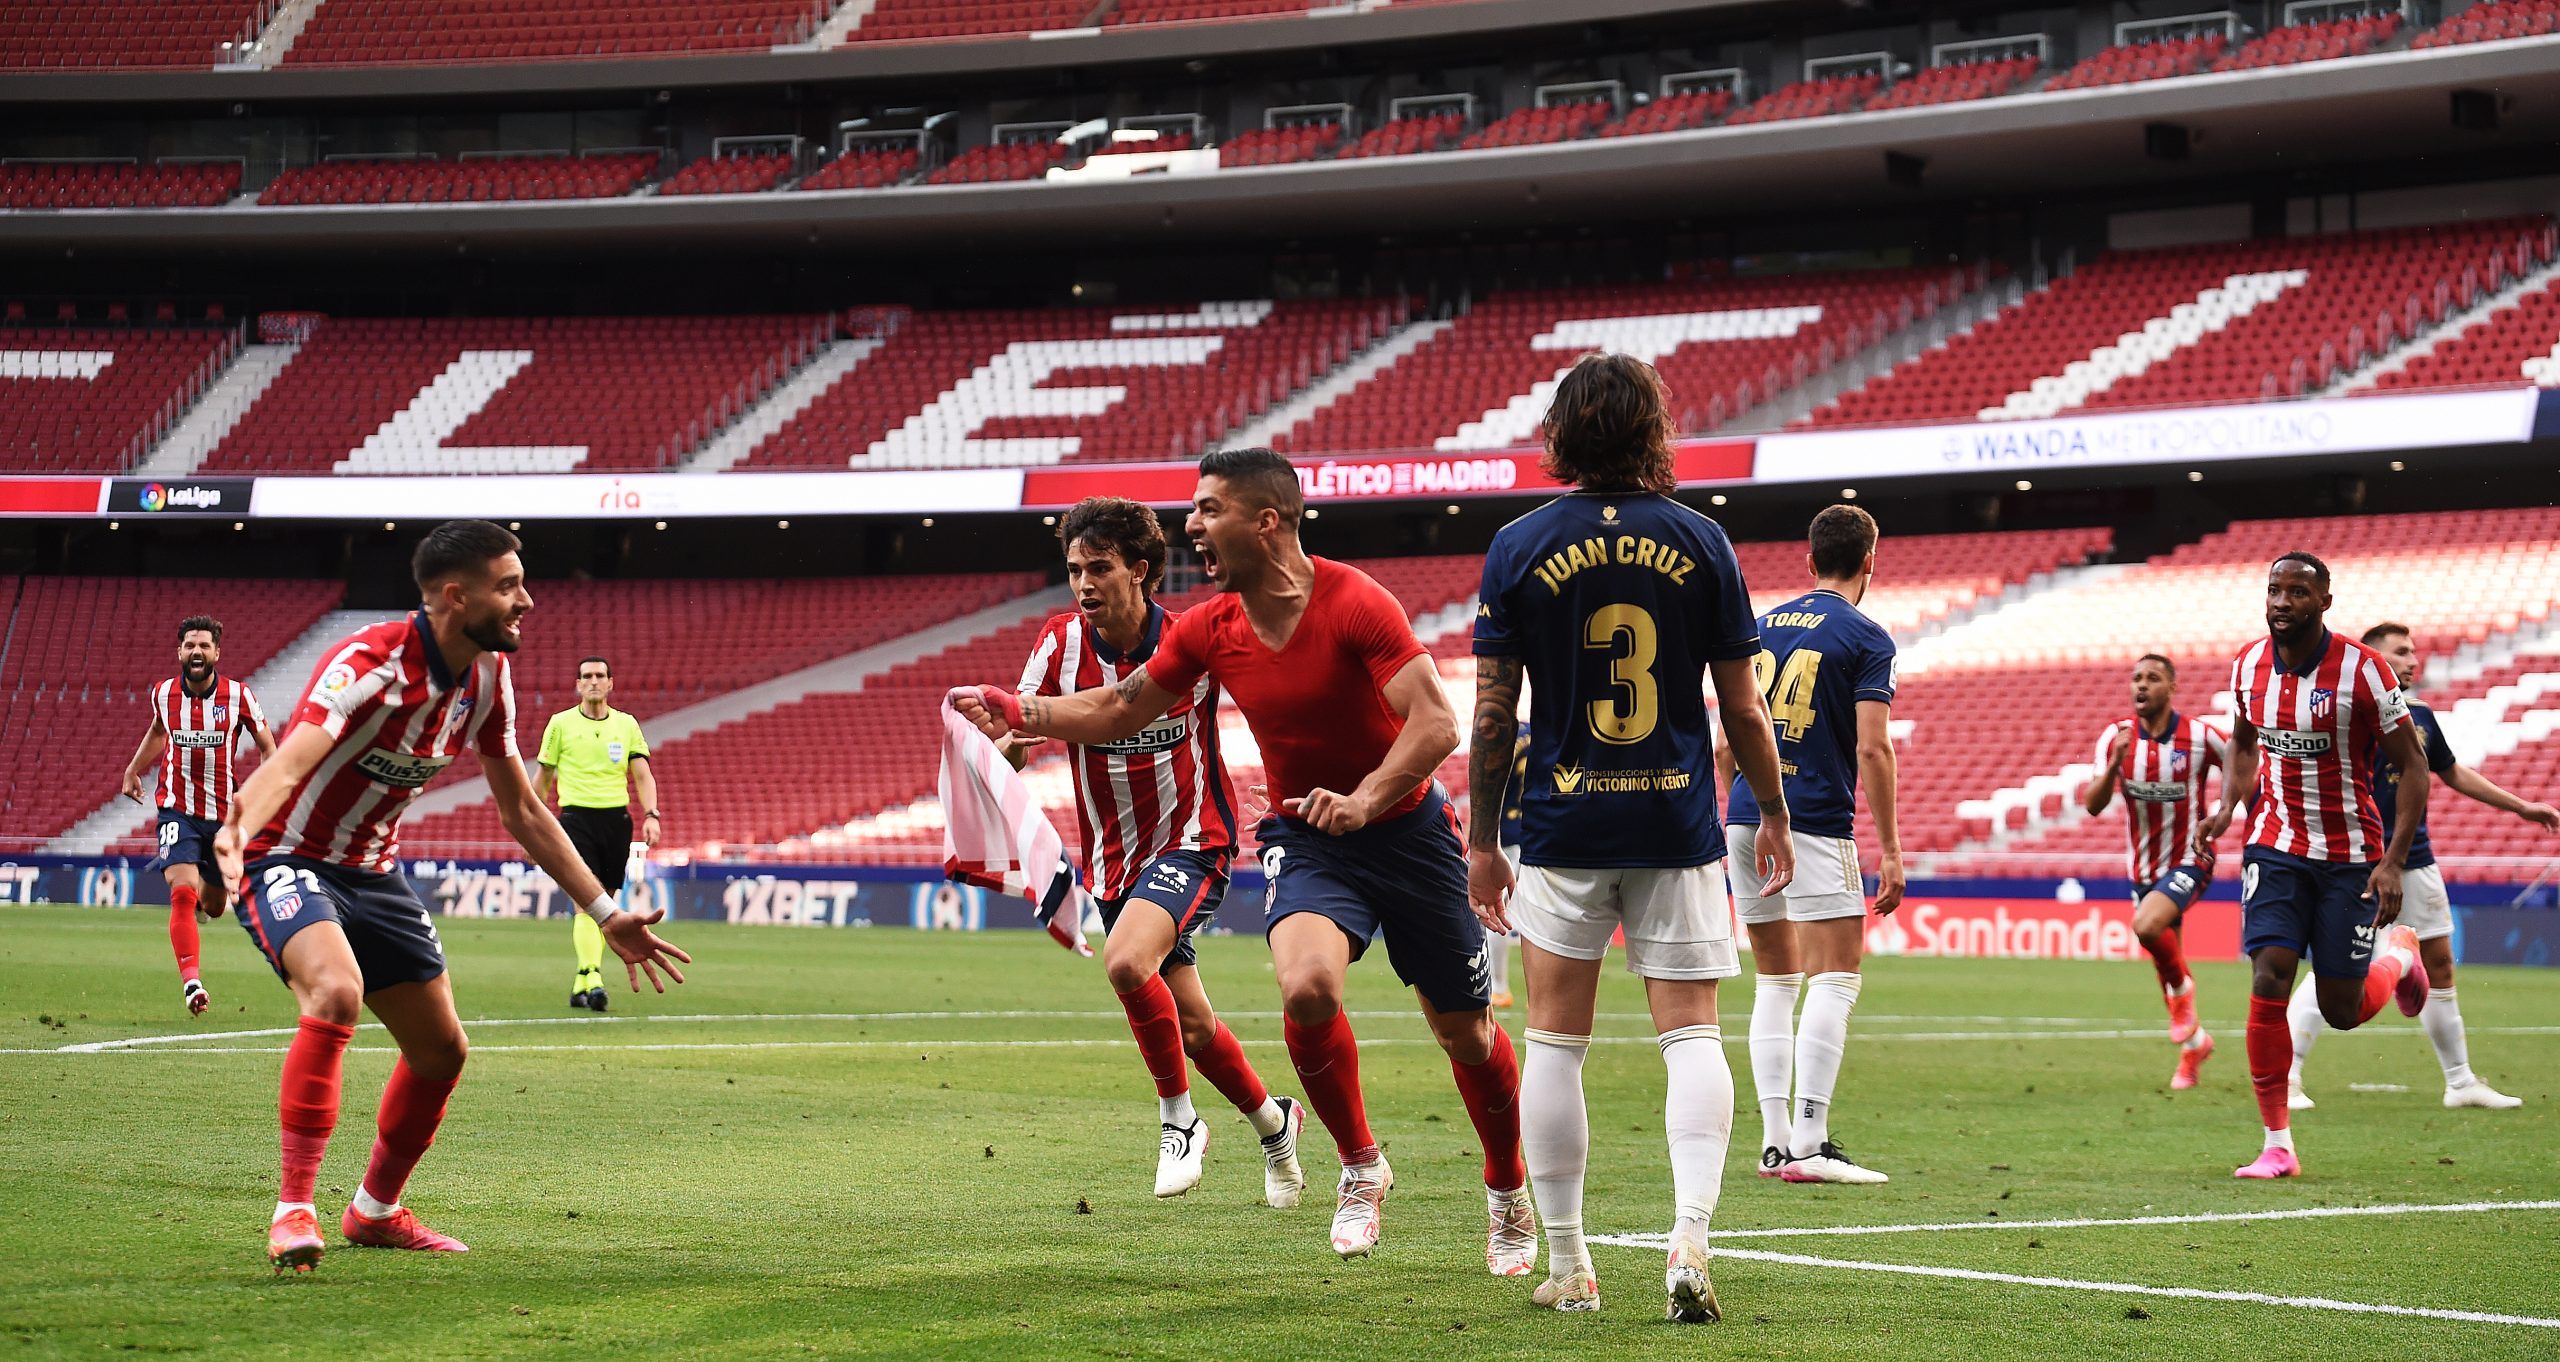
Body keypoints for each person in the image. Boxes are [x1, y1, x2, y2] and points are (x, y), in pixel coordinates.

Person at [957, 447, 1527, 1268]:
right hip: (1306, 836)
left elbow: (1436, 723)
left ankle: (1507, 1188)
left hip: (1408, 833)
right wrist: (1024, 712)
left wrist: (1365, 799)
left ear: (1266, 522)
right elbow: (1120, 708)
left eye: (1208, 509)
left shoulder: (1356, 601)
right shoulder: (1210, 628)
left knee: (1466, 1034)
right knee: (1307, 988)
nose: (1191, 525)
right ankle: (1361, 1166)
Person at [214, 520, 692, 1273]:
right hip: (285, 855)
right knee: (335, 992)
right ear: (455, 596)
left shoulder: (488, 677)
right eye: (509, 587)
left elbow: (524, 809)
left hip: (374, 870)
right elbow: (291, 762)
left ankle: (374, 1212)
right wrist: (237, 828)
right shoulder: (368, 664)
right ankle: (293, 1208)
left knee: (441, 1051)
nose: (526, 602)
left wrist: (606, 913)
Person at [1466, 351, 1794, 1320]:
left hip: (1562, 825)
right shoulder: (1703, 540)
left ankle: (1570, 1267)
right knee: (1691, 1035)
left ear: (1561, 434)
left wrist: (1482, 840)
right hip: (1676, 823)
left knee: (1554, 1042)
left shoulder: (1517, 545)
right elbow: (1743, 706)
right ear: (1655, 429)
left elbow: (1494, 714)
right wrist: (1773, 811)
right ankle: (1689, 1237)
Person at [1006, 495, 1305, 1204]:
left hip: (1194, 840)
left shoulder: (1189, 640)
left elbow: (1271, 701)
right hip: (1114, 863)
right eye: (1074, 570)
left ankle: (1179, 1120)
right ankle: (1275, 1124)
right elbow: (1016, 744)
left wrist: (1286, 784)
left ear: (1139, 570)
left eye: (1100, 568)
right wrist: (995, 747)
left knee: (1124, 961)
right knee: (1194, 1026)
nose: (1083, 584)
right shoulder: (1058, 645)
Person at [2192, 553, 2432, 1180]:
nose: (2282, 602)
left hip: (2350, 856)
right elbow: (2243, 743)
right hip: (2274, 846)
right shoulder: (2247, 664)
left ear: (2324, 601)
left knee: (2341, 1009)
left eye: (2298, 592)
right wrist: (2227, 807)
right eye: (2275, 589)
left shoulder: (2364, 670)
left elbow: (2414, 767)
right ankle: (2278, 1144)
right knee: (2270, 974)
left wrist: (2393, 862)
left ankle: (2398, 957)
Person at [2287, 621, 2555, 1111]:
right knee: (2337, 965)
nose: (2414, 661)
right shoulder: (2348, 715)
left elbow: (2451, 772)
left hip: (2415, 857)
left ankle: (2460, 1082)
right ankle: (2287, 1076)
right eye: (2402, 652)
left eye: (2414, 652)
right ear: (2373, 660)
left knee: (2440, 964)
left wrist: (2521, 807)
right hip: (2361, 861)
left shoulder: (2421, 716)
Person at [1716, 503, 1902, 1186]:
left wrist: (1743, 805)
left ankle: (1774, 1144)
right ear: (1870, 561)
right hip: (1814, 821)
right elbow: (1873, 749)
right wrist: (1892, 849)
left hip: (1747, 815)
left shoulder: (1763, 627)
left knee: (1775, 977)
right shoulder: (1867, 637)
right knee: (1835, 975)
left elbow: (1726, 741)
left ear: (1810, 560)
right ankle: (1811, 1142)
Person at [2082, 653, 2227, 1089]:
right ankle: (2194, 1047)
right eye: (2136, 678)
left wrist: (2225, 813)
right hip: (2143, 870)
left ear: (2172, 688)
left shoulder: (2199, 736)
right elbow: (2093, 805)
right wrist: (2114, 764)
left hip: (2191, 859)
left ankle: (2184, 999)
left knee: (2146, 927)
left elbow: (2246, 761)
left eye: (2153, 678)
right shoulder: (2116, 736)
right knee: (2166, 963)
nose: (2141, 685)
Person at [121, 615, 277, 1016]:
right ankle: (192, 983)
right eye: (190, 645)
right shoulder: (163, 693)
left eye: (204, 645)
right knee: (181, 892)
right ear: (179, 651)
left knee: (214, 905)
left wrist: (262, 798)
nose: (196, 651)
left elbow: (268, 747)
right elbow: (159, 730)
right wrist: (134, 769)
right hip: (177, 809)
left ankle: (201, 907)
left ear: (216, 653)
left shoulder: (239, 696)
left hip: (223, 818)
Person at [531, 656, 661, 1012]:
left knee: (605, 905)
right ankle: (594, 978)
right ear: (577, 684)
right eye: (586, 676)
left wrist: (651, 814)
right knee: (586, 902)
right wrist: (533, 828)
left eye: (600, 675)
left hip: (616, 822)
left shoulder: (627, 724)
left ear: (610, 683)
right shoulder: (560, 724)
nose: (593, 681)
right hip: (575, 819)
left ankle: (581, 982)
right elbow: (542, 779)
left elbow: (643, 775)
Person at [1485, 720, 1531, 1011]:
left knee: (1496, 911)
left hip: (1506, 836)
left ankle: (1499, 987)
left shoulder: (1506, 736)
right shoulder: (1542, 734)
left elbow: (1491, 786)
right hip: (1537, 831)